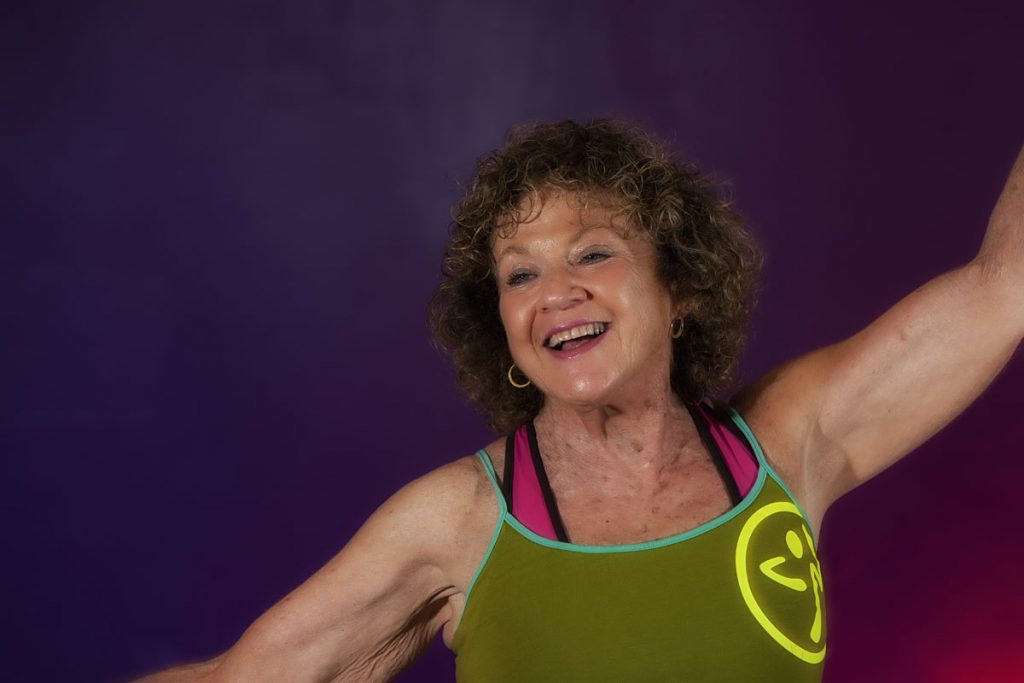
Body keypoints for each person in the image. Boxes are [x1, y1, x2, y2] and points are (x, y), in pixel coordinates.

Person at [137, 120, 1024, 682]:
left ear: (678, 289)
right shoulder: (461, 517)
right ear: (503, 328)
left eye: (593, 253)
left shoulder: (788, 444)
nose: (555, 291)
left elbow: (1004, 284)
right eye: (519, 274)